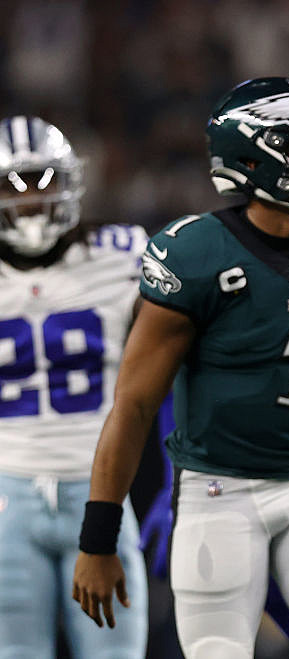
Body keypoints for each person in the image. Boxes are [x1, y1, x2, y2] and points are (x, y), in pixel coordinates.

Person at [70, 77, 289, 659]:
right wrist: (98, 539)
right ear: (252, 159)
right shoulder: (196, 256)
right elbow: (135, 404)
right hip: (222, 492)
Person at [0, 115, 148, 659]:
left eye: (43, 181)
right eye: (11, 185)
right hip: (5, 496)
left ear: (71, 182)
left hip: (101, 489)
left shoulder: (121, 256)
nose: (30, 200)